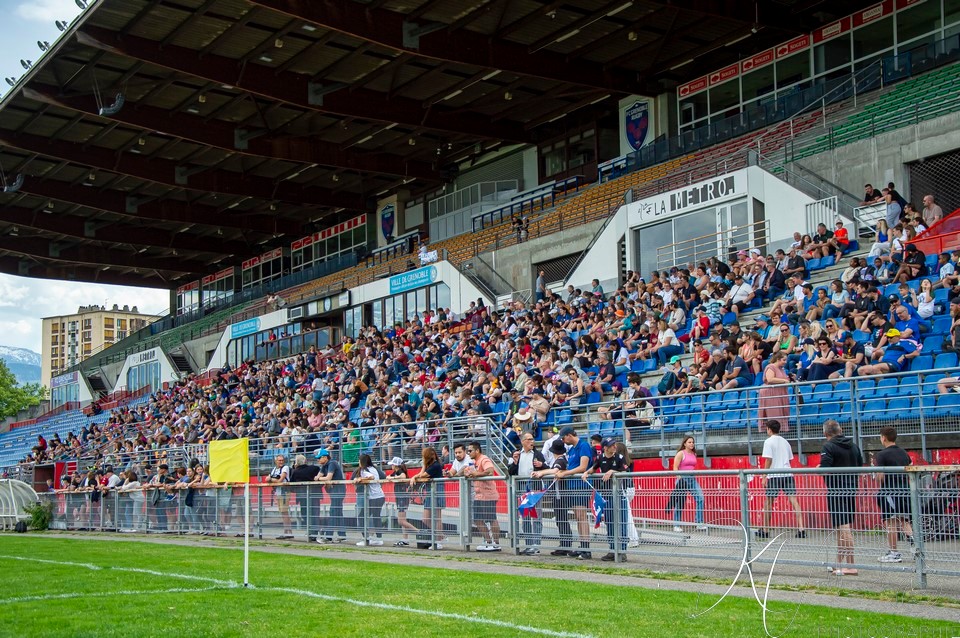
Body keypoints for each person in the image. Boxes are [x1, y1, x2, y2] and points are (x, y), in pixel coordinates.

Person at [819, 419, 863, 576]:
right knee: (841, 527)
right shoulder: (854, 446)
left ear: (826, 434)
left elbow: (825, 468)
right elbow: (860, 464)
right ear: (840, 430)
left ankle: (851, 565)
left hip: (837, 490)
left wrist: (819, 468)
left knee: (844, 528)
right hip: (851, 488)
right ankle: (839, 563)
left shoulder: (828, 446)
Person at [754, 420, 805, 539]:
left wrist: (764, 476)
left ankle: (766, 530)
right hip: (787, 473)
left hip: (774, 474)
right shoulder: (785, 442)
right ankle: (801, 528)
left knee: (768, 502)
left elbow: (768, 460)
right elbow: (790, 458)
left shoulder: (768, 442)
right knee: (794, 500)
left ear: (769, 429)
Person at [582, 437, 629, 561]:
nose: (614, 446)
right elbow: (594, 467)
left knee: (621, 522)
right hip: (606, 495)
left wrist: (613, 471)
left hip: (618, 494)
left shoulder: (619, 457)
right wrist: (587, 472)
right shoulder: (600, 457)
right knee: (609, 522)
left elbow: (626, 471)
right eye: (611, 445)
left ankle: (622, 550)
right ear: (605, 448)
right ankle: (612, 549)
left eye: (615, 444)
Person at [873, 427, 914, 564]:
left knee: (890, 522)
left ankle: (894, 552)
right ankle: (915, 548)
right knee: (904, 520)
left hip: (890, 491)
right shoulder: (904, 453)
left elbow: (880, 476)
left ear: (883, 437)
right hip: (905, 490)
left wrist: (876, 477)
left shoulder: (882, 455)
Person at [553, 426, 595, 559]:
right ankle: (582, 545)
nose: (564, 441)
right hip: (572, 487)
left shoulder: (583, 446)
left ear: (570, 435)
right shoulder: (571, 449)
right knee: (578, 516)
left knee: (582, 516)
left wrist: (565, 473)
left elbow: (583, 467)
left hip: (581, 487)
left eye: (564, 437)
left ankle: (586, 547)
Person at [532, 437, 573, 556]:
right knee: (561, 519)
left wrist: (541, 472)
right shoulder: (562, 459)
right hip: (558, 493)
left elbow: (555, 470)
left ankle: (566, 544)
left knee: (561, 519)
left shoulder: (560, 460)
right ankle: (565, 543)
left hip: (560, 494)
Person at [507, 431, 546, 555]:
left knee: (536, 516)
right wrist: (515, 462)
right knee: (525, 516)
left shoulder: (538, 454)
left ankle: (536, 544)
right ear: (523, 441)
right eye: (529, 439)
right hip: (522, 486)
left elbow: (546, 468)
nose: (532, 442)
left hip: (535, 486)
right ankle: (529, 544)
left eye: (532, 439)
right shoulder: (516, 454)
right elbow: (511, 472)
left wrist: (541, 465)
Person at [464, 440, 501, 551]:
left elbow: (490, 471)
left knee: (491, 518)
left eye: (470, 451)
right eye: (467, 451)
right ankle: (488, 542)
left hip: (488, 494)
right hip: (479, 495)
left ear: (477, 450)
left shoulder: (484, 459)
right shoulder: (474, 462)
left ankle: (496, 543)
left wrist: (476, 474)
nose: (468, 453)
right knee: (477, 519)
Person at [408, 447, 445, 549]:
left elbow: (422, 475)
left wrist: (415, 476)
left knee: (437, 517)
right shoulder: (430, 465)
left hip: (437, 491)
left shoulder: (436, 465)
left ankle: (439, 541)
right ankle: (432, 538)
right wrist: (414, 477)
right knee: (426, 518)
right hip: (430, 492)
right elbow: (420, 474)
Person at [668, 435, 705, 532]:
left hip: (692, 479)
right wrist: (678, 476)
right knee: (680, 502)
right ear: (685, 444)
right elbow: (675, 467)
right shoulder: (681, 453)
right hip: (682, 479)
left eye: (692, 442)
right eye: (689, 442)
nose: (692, 444)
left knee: (700, 498)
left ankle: (699, 523)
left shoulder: (694, 454)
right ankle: (676, 524)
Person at [314, 449, 346, 543]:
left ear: (325, 457)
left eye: (319, 458)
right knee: (338, 512)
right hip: (334, 491)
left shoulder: (332, 463)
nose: (318, 460)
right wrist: (320, 478)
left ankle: (328, 536)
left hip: (338, 490)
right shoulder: (324, 465)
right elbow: (318, 476)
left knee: (333, 512)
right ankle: (342, 534)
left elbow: (328, 477)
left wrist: (319, 478)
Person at [353, 454, 385, 546]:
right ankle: (377, 538)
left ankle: (366, 538)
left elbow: (371, 477)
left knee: (363, 517)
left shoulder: (364, 470)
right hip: (379, 496)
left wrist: (360, 479)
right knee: (375, 517)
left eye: (359, 461)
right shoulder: (374, 468)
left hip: (375, 497)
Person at [290, 454, 322, 542]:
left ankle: (311, 531)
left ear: (296, 463)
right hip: (315, 494)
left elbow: (291, 484)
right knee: (315, 514)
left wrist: (294, 468)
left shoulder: (296, 472)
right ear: (306, 461)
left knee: (305, 514)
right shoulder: (314, 468)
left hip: (302, 496)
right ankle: (315, 532)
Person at [388, 458, 419, 547]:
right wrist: (392, 477)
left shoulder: (400, 472)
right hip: (400, 497)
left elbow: (403, 476)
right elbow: (388, 477)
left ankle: (418, 531)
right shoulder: (395, 472)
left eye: (393, 464)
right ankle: (405, 539)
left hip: (402, 498)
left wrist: (393, 478)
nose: (391, 466)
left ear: (396, 465)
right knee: (403, 520)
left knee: (401, 521)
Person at [757, 352, 791, 432]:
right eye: (784, 360)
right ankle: (772, 430)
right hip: (771, 394)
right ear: (778, 359)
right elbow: (770, 379)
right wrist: (784, 381)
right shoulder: (770, 367)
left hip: (780, 393)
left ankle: (780, 429)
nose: (785, 362)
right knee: (774, 413)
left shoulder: (782, 369)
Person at [267, 454, 293, 540]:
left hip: (284, 492)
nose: (281, 462)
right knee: (283, 512)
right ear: (276, 461)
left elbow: (279, 480)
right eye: (279, 460)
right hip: (278, 492)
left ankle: (287, 532)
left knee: (284, 512)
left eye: (282, 460)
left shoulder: (285, 468)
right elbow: (268, 480)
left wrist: (271, 479)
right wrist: (271, 480)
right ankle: (288, 532)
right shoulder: (274, 469)